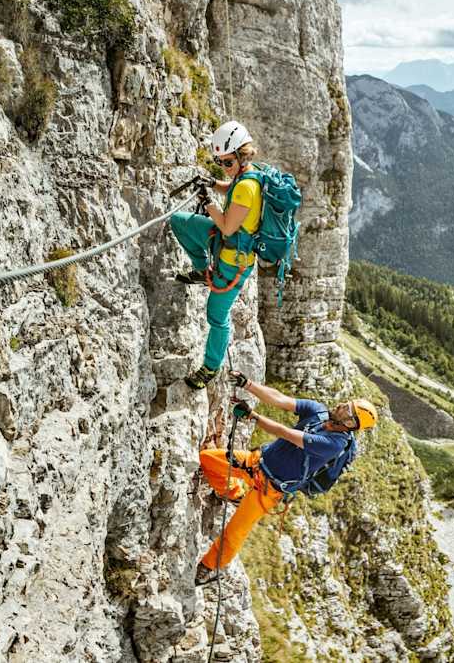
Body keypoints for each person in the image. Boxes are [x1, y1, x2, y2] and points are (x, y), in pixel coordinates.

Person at [195, 371, 377, 582]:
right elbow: (280, 399)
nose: (342, 405)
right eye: (347, 403)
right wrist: (248, 384)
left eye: (348, 409)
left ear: (350, 423)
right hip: (255, 462)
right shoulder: (318, 412)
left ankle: (210, 567)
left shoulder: (333, 444)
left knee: (235, 531)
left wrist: (253, 416)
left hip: (270, 489)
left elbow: (286, 433)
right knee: (207, 459)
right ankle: (233, 493)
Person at [171, 120, 263, 389]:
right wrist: (213, 183)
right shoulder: (246, 175)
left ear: (240, 155)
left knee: (216, 317)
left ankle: (211, 368)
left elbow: (226, 224)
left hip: (233, 263)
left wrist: (208, 203)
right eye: (219, 162)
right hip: (225, 244)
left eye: (227, 162)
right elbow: (232, 188)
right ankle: (201, 270)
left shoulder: (247, 187)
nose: (224, 167)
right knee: (181, 222)